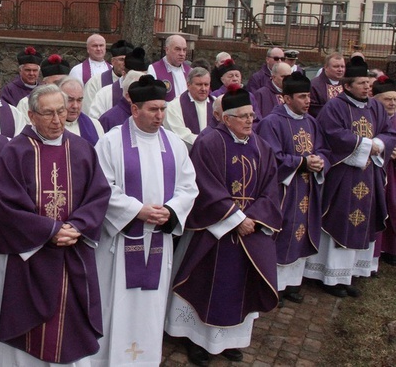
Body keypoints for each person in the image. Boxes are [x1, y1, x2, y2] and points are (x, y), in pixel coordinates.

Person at [0, 84, 111, 366]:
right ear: (31, 115)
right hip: (28, 257)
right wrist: (51, 231)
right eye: (48, 114)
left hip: (73, 252)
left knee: (69, 327)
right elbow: (6, 205)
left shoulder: (81, 149)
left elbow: (98, 194)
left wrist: (77, 226)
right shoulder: (15, 151)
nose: (57, 120)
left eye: (61, 112)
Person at [165, 84, 281, 366]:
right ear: (226, 118)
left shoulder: (261, 147)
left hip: (249, 231)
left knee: (239, 286)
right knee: (205, 284)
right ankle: (195, 340)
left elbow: (270, 188)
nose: (249, 121)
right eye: (242, 116)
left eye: (252, 115)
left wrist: (252, 219)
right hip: (214, 231)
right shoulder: (210, 142)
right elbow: (204, 185)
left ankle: (230, 340)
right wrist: (235, 218)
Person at [93, 74, 197, 366]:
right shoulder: (111, 143)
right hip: (119, 244)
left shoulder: (175, 144)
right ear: (134, 108)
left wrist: (172, 211)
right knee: (115, 303)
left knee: (149, 306)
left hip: (158, 239)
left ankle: (145, 359)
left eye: (163, 109)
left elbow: (189, 187)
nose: (160, 115)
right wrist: (136, 210)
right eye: (153, 109)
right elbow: (101, 187)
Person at [304, 57, 396, 297]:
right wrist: (366, 145)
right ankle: (327, 275)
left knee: (361, 221)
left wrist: (378, 144)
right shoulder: (335, 106)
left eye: (368, 83)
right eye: (362, 83)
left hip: (369, 174)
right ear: (347, 86)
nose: (367, 87)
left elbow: (389, 131)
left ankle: (348, 274)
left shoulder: (375, 107)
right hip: (344, 174)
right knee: (339, 218)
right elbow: (332, 134)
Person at [256, 72, 329, 306]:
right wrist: (302, 162)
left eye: (308, 96)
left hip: (307, 187)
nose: (308, 101)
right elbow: (271, 158)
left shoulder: (311, 122)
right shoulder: (272, 122)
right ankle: (273, 285)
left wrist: (319, 162)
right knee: (283, 231)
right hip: (284, 190)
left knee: (301, 231)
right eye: (302, 97)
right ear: (286, 98)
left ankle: (291, 284)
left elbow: (323, 150)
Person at [373, 76, 396, 266]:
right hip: (377, 169)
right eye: (387, 99)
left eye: (395, 99)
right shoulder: (371, 117)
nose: (392, 103)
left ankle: (392, 249)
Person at [89, 47, 149, 119]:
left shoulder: (151, 95)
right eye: (136, 77)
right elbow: (95, 122)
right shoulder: (105, 94)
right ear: (124, 74)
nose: (140, 82)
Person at [164, 67, 215, 150]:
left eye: (206, 84)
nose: (203, 89)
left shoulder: (216, 104)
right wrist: (207, 143)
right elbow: (181, 134)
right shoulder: (174, 106)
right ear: (188, 85)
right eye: (199, 84)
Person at [82, 40, 133, 115]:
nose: (125, 64)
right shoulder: (96, 81)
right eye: (121, 60)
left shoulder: (136, 80)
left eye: (128, 60)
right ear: (112, 61)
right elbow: (87, 110)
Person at [16, 54, 71, 118]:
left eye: (64, 82)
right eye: (56, 82)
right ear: (44, 83)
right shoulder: (26, 104)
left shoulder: (73, 103)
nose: (61, 86)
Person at [59, 76, 104, 145]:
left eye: (79, 100)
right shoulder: (51, 126)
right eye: (70, 100)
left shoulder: (95, 125)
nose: (75, 106)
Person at [147, 34, 191, 101]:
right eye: (178, 49)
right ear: (167, 50)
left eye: (184, 50)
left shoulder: (190, 71)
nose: (182, 53)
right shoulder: (153, 70)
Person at [309, 52, 346, 117]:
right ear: (326, 67)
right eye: (336, 66)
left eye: (342, 67)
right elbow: (312, 109)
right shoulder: (314, 85)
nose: (340, 70)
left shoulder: (347, 85)